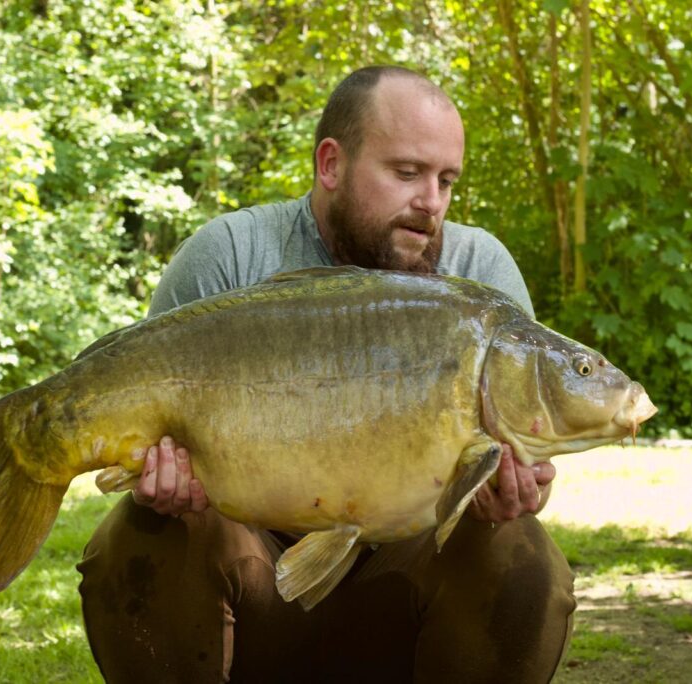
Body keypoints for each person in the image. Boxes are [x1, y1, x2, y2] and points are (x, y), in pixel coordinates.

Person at [77, 65, 572, 683]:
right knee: (137, 538)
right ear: (331, 164)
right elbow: (148, 432)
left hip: (407, 590)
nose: (432, 202)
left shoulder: (479, 275)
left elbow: (521, 465)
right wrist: (162, 483)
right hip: (256, 586)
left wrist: (518, 490)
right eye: (407, 173)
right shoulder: (230, 256)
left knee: (522, 553)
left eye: (447, 180)